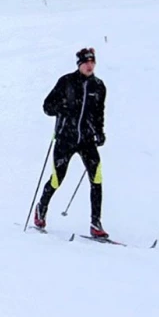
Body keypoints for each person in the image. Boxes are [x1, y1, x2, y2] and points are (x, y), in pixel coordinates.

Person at [34, 48, 108, 238]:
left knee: (96, 178)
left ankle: (96, 223)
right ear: (79, 64)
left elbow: (99, 114)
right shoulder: (66, 82)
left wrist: (99, 133)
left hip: (86, 140)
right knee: (58, 178)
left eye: (92, 62)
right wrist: (63, 108)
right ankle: (41, 208)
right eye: (86, 62)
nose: (90, 66)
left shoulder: (99, 86)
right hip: (65, 138)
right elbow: (47, 106)